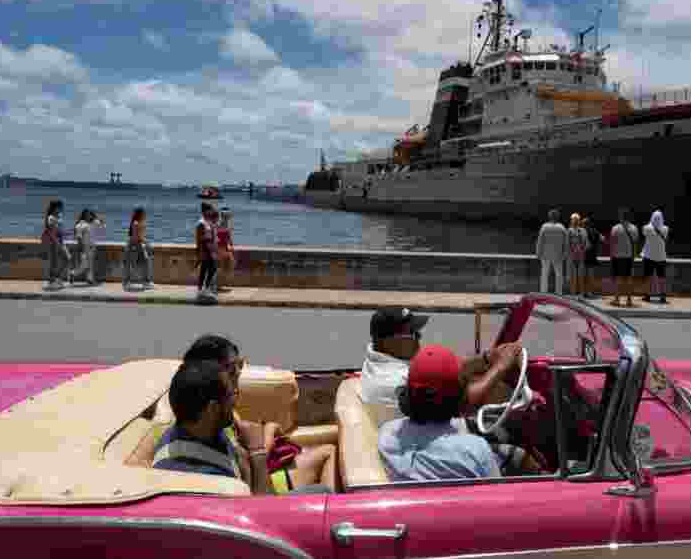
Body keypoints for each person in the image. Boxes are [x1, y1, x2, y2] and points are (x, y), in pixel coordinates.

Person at [179, 335, 336, 493]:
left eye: (241, 364)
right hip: (262, 489)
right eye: (233, 369)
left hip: (258, 480)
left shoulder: (211, 420)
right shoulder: (210, 462)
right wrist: (257, 450)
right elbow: (260, 504)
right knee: (323, 490)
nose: (240, 373)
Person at [377, 345, 539, 481]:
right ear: (460, 397)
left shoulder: (388, 434)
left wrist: (488, 359)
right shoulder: (475, 451)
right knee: (518, 456)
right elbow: (496, 496)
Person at [360, 307, 525, 417]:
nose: (419, 337)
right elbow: (466, 403)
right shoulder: (396, 379)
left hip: (416, 431)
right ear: (387, 342)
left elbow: (444, 369)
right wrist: (501, 366)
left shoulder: (378, 356)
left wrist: (487, 358)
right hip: (423, 445)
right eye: (412, 333)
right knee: (518, 453)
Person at [609, 208, 639, 307]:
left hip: (618, 256)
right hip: (629, 257)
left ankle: (617, 299)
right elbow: (635, 244)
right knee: (629, 279)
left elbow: (612, 244)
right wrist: (634, 256)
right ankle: (629, 300)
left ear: (621, 216)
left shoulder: (615, 228)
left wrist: (611, 256)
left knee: (618, 278)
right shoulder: (634, 228)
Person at [536, 209, 568, 295]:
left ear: (549, 217)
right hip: (558, 255)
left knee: (544, 274)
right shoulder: (562, 227)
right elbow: (566, 243)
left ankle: (543, 293)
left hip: (545, 254)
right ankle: (559, 293)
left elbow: (540, 241)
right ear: (558, 217)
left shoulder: (544, 226)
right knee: (559, 275)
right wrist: (565, 254)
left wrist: (538, 252)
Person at [641, 210, 669, 305]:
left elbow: (644, 234)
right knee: (662, 278)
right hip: (661, 257)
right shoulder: (665, 229)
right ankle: (662, 296)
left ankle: (647, 295)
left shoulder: (646, 228)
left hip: (648, 256)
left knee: (648, 277)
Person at [69, 209, 104, 286]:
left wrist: (96, 216)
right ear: (84, 215)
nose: (89, 216)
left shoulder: (93, 223)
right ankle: (73, 273)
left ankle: (90, 279)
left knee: (90, 265)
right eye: (87, 214)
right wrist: (81, 247)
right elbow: (79, 237)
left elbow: (102, 223)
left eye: (90, 214)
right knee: (85, 264)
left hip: (92, 246)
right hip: (85, 247)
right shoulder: (81, 225)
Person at [41, 199, 70, 289]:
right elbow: (51, 232)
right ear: (55, 208)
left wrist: (69, 233)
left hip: (59, 241)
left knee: (66, 258)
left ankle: (56, 279)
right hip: (54, 242)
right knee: (54, 262)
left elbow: (59, 230)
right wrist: (57, 243)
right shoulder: (51, 218)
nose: (61, 209)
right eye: (60, 207)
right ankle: (52, 280)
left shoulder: (58, 217)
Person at [123, 207, 153, 291]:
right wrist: (146, 243)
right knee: (132, 264)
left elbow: (140, 236)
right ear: (140, 214)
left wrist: (145, 242)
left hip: (137, 244)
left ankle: (145, 282)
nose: (145, 215)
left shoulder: (139, 223)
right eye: (143, 214)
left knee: (143, 263)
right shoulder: (136, 223)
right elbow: (137, 236)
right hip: (134, 245)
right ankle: (128, 283)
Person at [195, 202, 218, 301]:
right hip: (204, 248)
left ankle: (203, 290)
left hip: (209, 248)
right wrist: (200, 252)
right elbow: (199, 239)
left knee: (206, 269)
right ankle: (204, 289)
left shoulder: (207, 222)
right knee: (210, 268)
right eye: (211, 209)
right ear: (206, 211)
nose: (212, 211)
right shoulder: (201, 223)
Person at [566, 213, 588, 298]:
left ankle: (580, 294)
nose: (575, 221)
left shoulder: (583, 231)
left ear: (579, 221)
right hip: (572, 256)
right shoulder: (569, 230)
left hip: (580, 256)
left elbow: (586, 243)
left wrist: (582, 250)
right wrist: (570, 253)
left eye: (576, 219)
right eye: (573, 219)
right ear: (572, 221)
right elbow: (567, 244)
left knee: (580, 276)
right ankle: (573, 294)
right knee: (573, 276)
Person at [216, 206, 235, 293]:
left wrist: (231, 245)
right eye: (228, 215)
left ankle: (218, 285)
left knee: (225, 266)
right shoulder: (220, 224)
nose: (229, 216)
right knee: (221, 267)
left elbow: (228, 236)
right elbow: (217, 236)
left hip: (224, 247)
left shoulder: (225, 223)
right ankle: (218, 286)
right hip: (220, 248)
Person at [582, 217, 600, 298]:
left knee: (584, 276)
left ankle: (584, 292)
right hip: (592, 255)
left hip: (584, 255)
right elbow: (602, 239)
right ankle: (590, 292)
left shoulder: (583, 232)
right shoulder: (595, 231)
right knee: (591, 275)